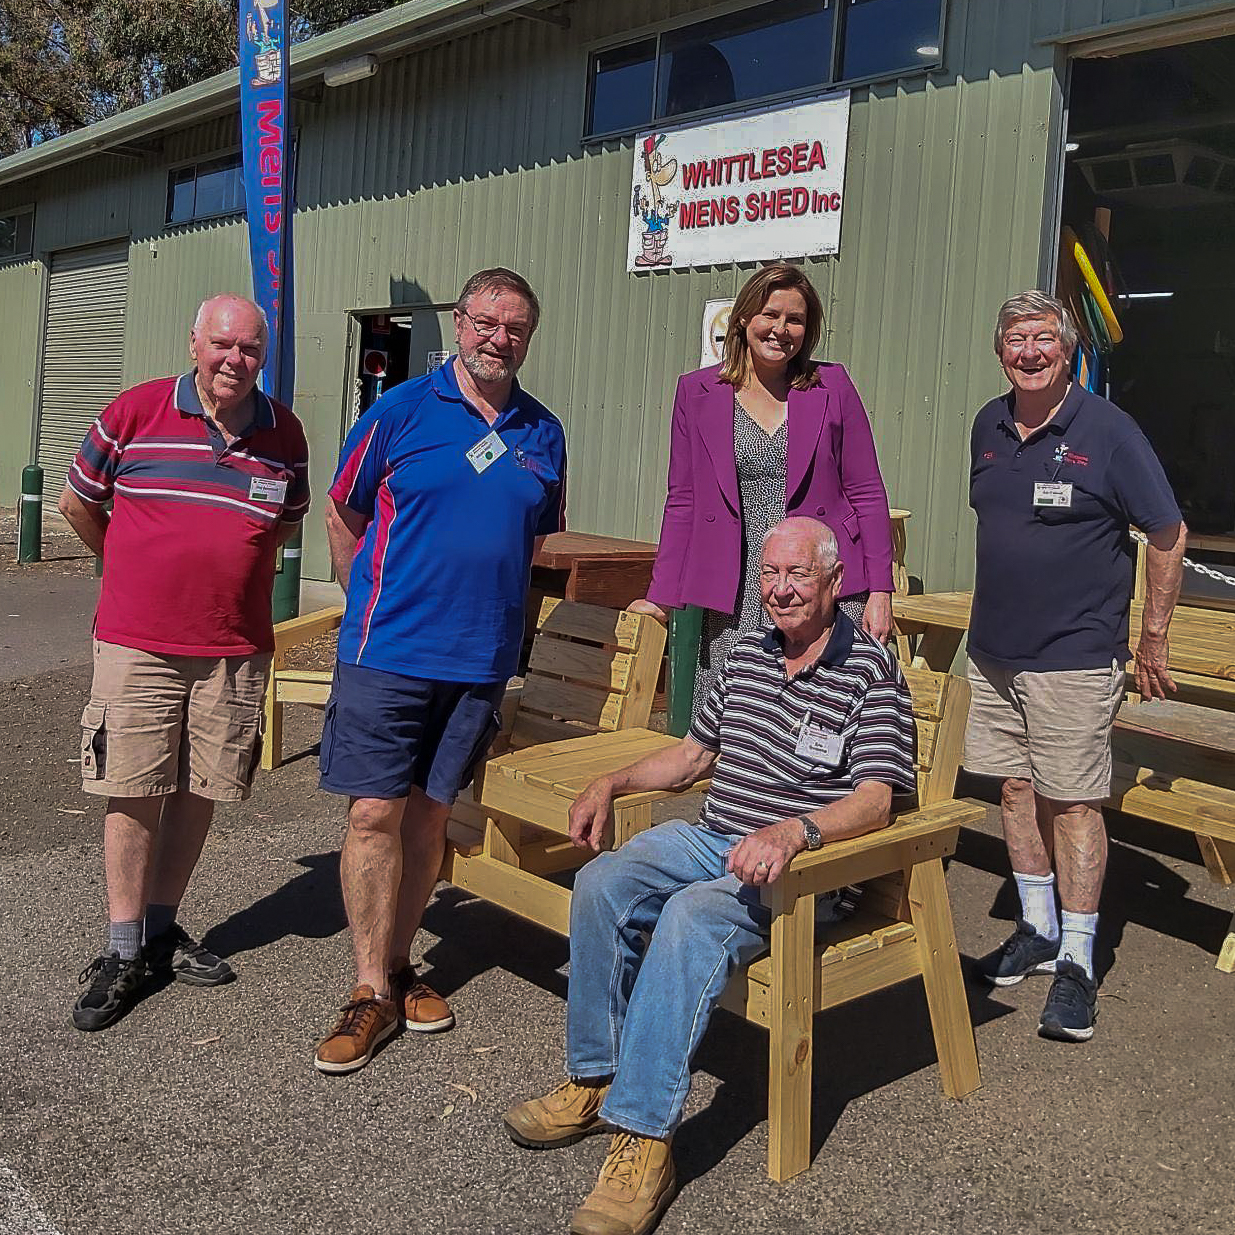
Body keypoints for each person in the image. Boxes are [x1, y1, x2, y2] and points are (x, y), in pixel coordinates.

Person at [504, 518, 915, 1235]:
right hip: (713, 837)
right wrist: (613, 778)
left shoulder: (868, 670)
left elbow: (878, 797)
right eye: (769, 575)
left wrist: (795, 831)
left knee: (691, 916)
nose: (780, 589)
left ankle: (644, 1140)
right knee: (603, 880)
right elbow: (692, 757)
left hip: (802, 868)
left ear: (833, 581)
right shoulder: (748, 654)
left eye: (797, 575)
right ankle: (595, 1079)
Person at [313, 268, 567, 1075]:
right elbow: (342, 512)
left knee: (429, 819)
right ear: (459, 324)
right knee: (371, 818)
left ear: (529, 338)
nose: (499, 338)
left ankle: (396, 964)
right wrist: (369, 609)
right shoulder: (398, 411)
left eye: (515, 328)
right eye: (486, 322)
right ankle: (364, 990)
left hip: (479, 661)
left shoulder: (543, 431)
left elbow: (532, 541)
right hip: (388, 653)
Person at [58, 293, 310, 1032]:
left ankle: (162, 929)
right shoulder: (134, 412)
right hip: (138, 642)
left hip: (231, 646)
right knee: (132, 788)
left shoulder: (284, 433)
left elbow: (282, 522)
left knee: (200, 789)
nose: (236, 360)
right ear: (194, 341)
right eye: (224, 344)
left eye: (251, 349)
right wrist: (129, 568)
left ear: (264, 355)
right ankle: (122, 947)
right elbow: (78, 503)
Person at [967, 290, 1186, 1042]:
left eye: (1043, 340)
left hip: (1074, 656)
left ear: (1068, 352)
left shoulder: (1108, 431)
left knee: (1073, 801)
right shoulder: (986, 426)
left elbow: (1166, 532)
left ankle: (1077, 959)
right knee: (1015, 786)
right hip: (992, 651)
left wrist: (1152, 636)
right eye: (1015, 340)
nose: (1028, 352)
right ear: (1000, 351)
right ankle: (1034, 926)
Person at [628, 263, 896, 714]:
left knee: (824, 712)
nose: (781, 329)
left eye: (795, 319)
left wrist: (881, 591)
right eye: (770, 315)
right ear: (743, 319)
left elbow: (867, 490)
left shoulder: (832, 385)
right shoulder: (697, 392)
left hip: (821, 583)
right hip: (736, 585)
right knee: (734, 720)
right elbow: (683, 501)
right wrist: (661, 596)